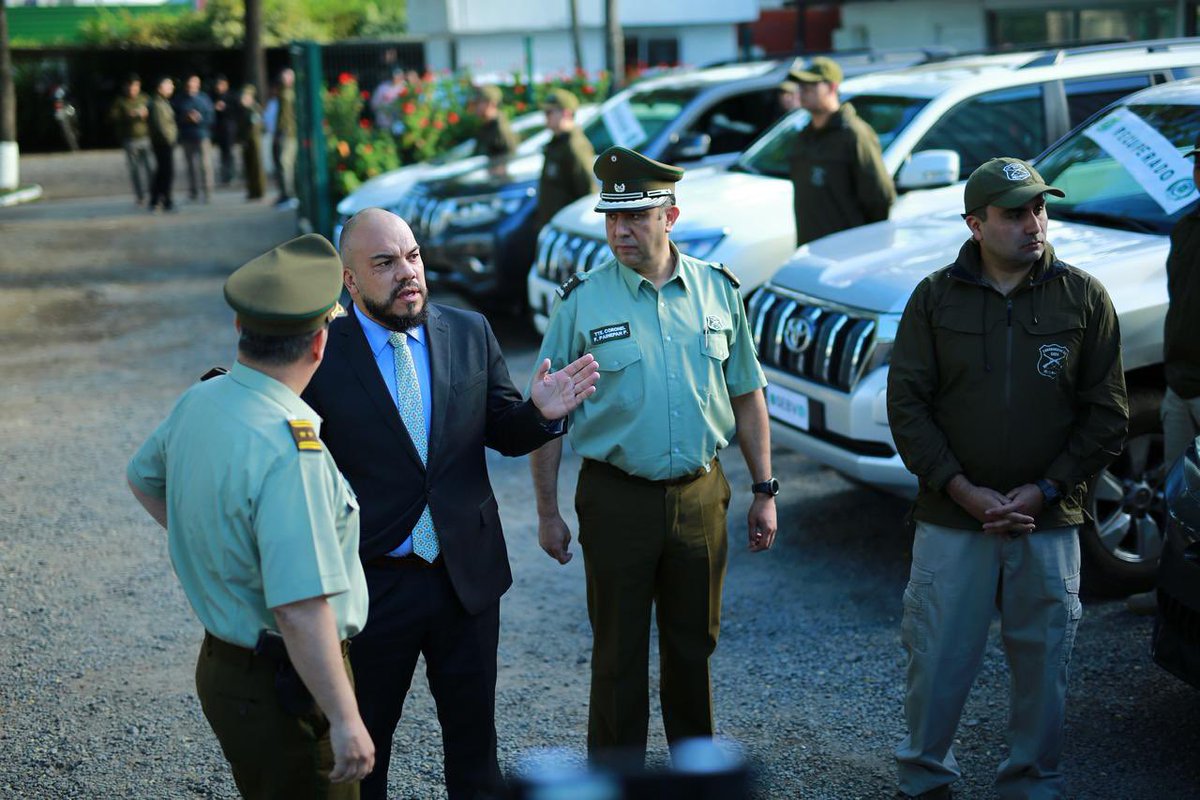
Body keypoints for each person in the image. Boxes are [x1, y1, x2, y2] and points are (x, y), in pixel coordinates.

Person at [301, 207, 599, 800]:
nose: (407, 273)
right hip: (372, 582)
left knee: (474, 745)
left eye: (412, 256)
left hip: (465, 575)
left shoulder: (468, 331)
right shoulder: (320, 355)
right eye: (384, 263)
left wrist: (539, 414)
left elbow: (503, 431)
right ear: (349, 280)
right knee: (368, 749)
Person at [886, 157, 1129, 800]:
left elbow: (1107, 415)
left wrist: (1047, 489)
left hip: (1046, 521)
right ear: (975, 223)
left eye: (1039, 210)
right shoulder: (934, 297)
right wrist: (961, 490)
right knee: (937, 657)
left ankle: (1030, 783)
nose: (1034, 224)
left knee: (1044, 661)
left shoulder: (1083, 296)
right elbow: (906, 407)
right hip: (952, 517)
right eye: (1015, 214)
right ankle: (925, 780)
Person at [529, 146, 779, 763]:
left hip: (701, 496)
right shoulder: (582, 301)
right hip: (616, 497)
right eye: (611, 218)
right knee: (618, 654)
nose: (620, 230)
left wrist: (764, 490)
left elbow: (747, 396)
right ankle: (616, 781)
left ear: (670, 216)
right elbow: (546, 413)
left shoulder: (719, 292)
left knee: (694, 648)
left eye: (635, 216)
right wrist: (547, 512)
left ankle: (696, 775)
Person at [126, 234, 376, 797]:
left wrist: (220, 552)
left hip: (224, 669)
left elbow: (143, 478)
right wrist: (344, 719)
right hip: (288, 684)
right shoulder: (292, 449)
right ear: (320, 344)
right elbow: (300, 609)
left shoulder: (202, 400)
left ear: (241, 330)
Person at [789, 56, 895, 246]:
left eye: (811, 85)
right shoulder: (805, 135)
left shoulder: (854, 134)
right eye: (801, 85)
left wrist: (867, 247)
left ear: (832, 87)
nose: (803, 91)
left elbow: (879, 197)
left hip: (845, 253)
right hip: (810, 250)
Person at [534, 88, 596, 232]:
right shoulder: (557, 143)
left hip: (567, 228)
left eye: (549, 112)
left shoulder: (574, 145)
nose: (546, 117)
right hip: (554, 226)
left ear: (566, 113)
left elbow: (587, 191)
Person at [109, 73, 152, 207]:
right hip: (130, 140)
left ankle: (154, 193)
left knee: (151, 168)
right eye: (130, 86)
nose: (132, 89)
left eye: (135, 86)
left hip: (146, 138)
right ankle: (140, 196)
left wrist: (146, 113)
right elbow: (113, 117)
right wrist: (128, 115)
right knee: (135, 171)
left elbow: (156, 114)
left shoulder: (145, 98)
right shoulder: (120, 101)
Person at [175, 73, 216, 203]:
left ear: (198, 84)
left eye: (194, 82)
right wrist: (186, 118)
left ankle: (208, 191)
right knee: (190, 166)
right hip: (187, 136)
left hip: (202, 136)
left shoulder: (204, 99)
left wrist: (200, 119)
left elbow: (211, 118)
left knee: (205, 165)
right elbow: (174, 118)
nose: (191, 85)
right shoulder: (179, 99)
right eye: (189, 83)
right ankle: (193, 191)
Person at [147, 76, 178, 213]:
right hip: (164, 143)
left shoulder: (162, 102)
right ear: (160, 88)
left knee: (162, 171)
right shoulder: (158, 104)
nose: (172, 88)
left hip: (164, 142)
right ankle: (165, 199)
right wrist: (169, 139)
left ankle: (156, 198)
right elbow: (161, 126)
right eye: (169, 85)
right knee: (166, 172)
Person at [470, 85, 518, 159]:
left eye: (479, 102)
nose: (475, 106)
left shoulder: (500, 129)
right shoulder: (487, 126)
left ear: (492, 103)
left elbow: (508, 159)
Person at [273, 68, 299, 208]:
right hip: (286, 133)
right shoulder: (284, 93)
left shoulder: (289, 94)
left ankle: (290, 195)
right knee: (285, 164)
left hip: (289, 134)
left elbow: (287, 117)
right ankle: (287, 194)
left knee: (286, 163)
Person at [238, 84, 267, 201]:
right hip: (246, 141)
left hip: (254, 140)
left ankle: (259, 191)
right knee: (248, 166)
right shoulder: (243, 109)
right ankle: (251, 191)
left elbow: (257, 126)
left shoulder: (255, 108)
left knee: (257, 166)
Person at [211, 74, 239, 186]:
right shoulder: (214, 97)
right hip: (219, 128)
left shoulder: (231, 96)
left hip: (229, 127)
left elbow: (236, 111)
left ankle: (231, 174)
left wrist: (225, 108)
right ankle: (225, 174)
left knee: (230, 152)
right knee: (223, 152)